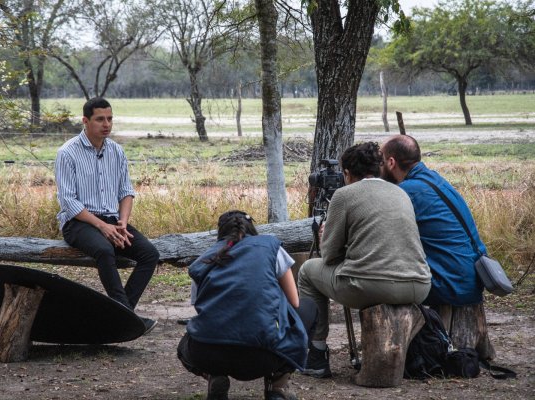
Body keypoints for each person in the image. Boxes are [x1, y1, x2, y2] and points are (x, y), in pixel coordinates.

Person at [297, 142, 432, 378]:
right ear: (379, 168)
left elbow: (328, 256)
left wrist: (324, 236)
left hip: (369, 286)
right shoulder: (401, 192)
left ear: (347, 173)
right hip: (418, 285)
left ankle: (316, 354)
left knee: (308, 270)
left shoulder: (344, 194)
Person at [177, 210, 318, 400]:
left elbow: (202, 309)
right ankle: (277, 385)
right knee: (308, 308)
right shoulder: (271, 247)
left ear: (220, 234)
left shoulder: (205, 259)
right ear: (252, 229)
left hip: (209, 354)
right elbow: (294, 301)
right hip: (262, 356)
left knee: (185, 343)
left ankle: (214, 375)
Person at [55, 97, 159, 334]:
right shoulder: (67, 153)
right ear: (85, 121)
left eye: (110, 118)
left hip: (112, 220)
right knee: (104, 250)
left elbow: (126, 192)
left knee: (149, 254)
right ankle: (126, 317)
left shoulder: (116, 151)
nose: (106, 124)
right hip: (79, 221)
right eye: (100, 119)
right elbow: (68, 201)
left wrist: (122, 222)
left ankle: (120, 314)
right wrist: (103, 227)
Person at [380, 134, 487, 307]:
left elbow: (381, 235)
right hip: (471, 280)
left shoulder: (407, 192)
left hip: (450, 286)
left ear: (391, 162)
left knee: (376, 283)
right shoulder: (434, 179)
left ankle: (405, 333)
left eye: (381, 161)